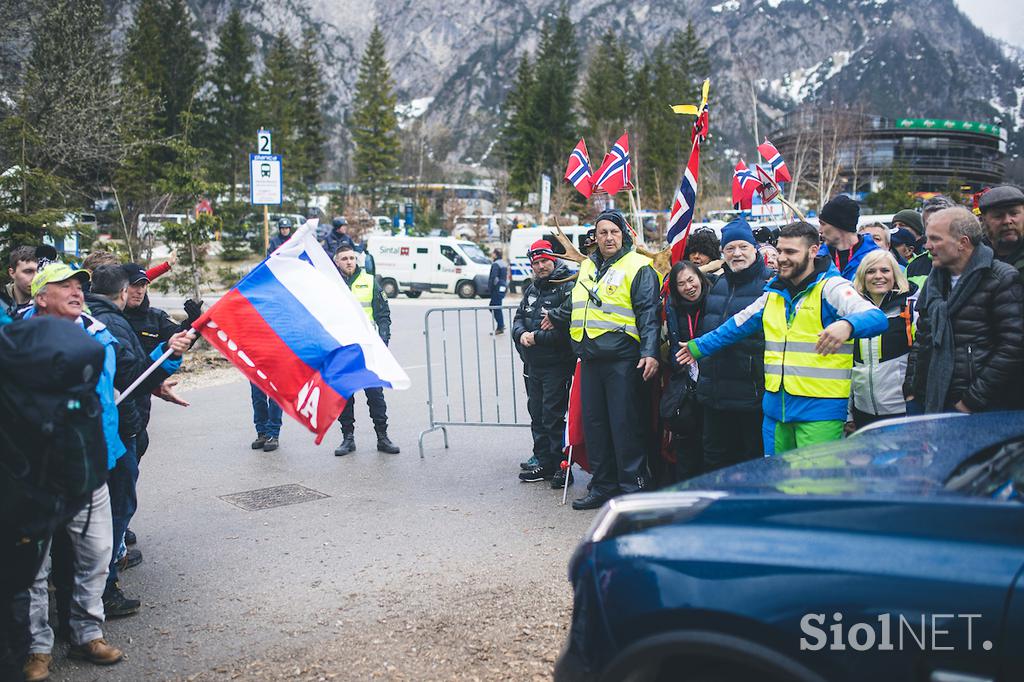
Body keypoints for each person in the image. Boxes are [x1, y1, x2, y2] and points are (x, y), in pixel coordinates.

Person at [17, 263, 188, 679]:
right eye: (65, 286)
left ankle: (86, 634)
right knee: (34, 566)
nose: (77, 291)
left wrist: (165, 366)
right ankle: (36, 648)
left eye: (80, 284)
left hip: (94, 461)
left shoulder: (97, 330)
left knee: (93, 556)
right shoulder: (13, 336)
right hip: (33, 472)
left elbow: (129, 376)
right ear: (41, 297)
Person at [678, 221, 887, 456]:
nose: (781, 258)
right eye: (779, 251)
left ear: (813, 251)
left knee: (813, 485)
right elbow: (735, 326)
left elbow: (876, 317)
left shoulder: (833, 288)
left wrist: (848, 325)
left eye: (790, 252)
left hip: (818, 412)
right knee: (776, 482)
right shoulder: (774, 293)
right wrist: (697, 347)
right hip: (776, 412)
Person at [84, 265, 191, 616]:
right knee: (116, 508)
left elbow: (137, 370)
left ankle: (100, 578)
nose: (140, 291)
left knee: (113, 506)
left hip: (125, 424)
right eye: (136, 285)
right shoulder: (110, 324)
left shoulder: (105, 318)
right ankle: (104, 586)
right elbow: (132, 374)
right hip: (118, 429)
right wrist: (169, 357)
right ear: (122, 291)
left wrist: (172, 347)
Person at [546, 209, 660, 510]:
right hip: (590, 359)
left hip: (622, 359)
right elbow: (576, 306)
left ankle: (631, 488)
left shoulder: (639, 266)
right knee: (595, 425)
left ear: (623, 234)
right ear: (594, 238)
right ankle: (603, 485)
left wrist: (650, 352)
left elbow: (648, 314)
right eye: (602, 232)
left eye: (614, 232)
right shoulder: (588, 267)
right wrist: (550, 318)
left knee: (624, 425)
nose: (608, 237)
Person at [904, 207, 1024, 414]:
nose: (927, 246)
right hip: (929, 400)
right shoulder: (933, 282)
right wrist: (912, 390)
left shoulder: (1000, 278)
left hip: (977, 408)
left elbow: (1012, 346)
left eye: (936, 239)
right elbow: (922, 339)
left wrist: (971, 400)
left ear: (963, 243)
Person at [694, 219, 772, 471]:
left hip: (751, 394)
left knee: (751, 461)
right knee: (714, 459)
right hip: (715, 393)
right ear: (723, 253)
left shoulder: (770, 285)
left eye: (743, 247)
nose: (736, 253)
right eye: (730, 249)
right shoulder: (718, 285)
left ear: (754, 249)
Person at [512, 240, 575, 485]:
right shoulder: (532, 288)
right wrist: (521, 334)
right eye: (535, 263)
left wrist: (536, 337)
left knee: (553, 415)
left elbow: (568, 331)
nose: (540, 267)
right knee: (536, 413)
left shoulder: (566, 287)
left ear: (553, 260)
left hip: (556, 365)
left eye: (544, 261)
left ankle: (561, 465)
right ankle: (542, 460)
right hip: (532, 364)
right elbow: (518, 318)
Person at [332, 244, 400, 456]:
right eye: (344, 258)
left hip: (368, 348)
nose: (349, 261)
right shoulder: (330, 284)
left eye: (352, 257)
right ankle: (348, 438)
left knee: (375, 394)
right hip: (342, 349)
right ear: (337, 262)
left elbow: (383, 315)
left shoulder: (370, 281)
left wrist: (384, 340)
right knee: (344, 395)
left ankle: (382, 437)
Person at [846, 250, 918, 431]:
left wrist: (915, 405)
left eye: (885, 270)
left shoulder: (910, 309)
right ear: (862, 276)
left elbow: (922, 359)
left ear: (895, 274)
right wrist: (847, 414)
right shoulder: (852, 313)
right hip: (862, 414)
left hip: (902, 413)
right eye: (871, 271)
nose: (878, 276)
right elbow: (845, 367)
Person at [663, 260, 711, 480]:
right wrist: (678, 363)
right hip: (686, 383)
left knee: (711, 442)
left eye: (691, 280)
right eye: (681, 284)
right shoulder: (673, 307)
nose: (688, 287)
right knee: (686, 442)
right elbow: (673, 344)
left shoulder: (713, 300)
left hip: (712, 380)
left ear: (700, 278)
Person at [816, 195, 878, 280]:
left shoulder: (876, 257)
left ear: (839, 225)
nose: (820, 230)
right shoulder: (817, 258)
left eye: (823, 224)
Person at [906, 195, 956, 289]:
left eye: (939, 225)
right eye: (929, 225)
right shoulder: (913, 267)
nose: (934, 230)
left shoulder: (973, 263)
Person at [978, 184, 1024, 278]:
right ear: (983, 220)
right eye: (998, 216)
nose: (1007, 221)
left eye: (1014, 213)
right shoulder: (972, 257)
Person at [2, 246, 41, 318]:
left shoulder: (47, 307)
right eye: (28, 271)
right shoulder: (2, 304)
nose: (36, 278)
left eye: (39, 271)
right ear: (12, 273)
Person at [488, 248, 508, 334]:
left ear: (495, 254)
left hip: (497, 288)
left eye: (493, 253)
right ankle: (501, 325)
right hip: (503, 287)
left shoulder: (496, 264)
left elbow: (494, 278)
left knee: (495, 307)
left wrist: (491, 288)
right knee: (496, 306)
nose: (492, 255)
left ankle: (500, 326)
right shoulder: (504, 264)